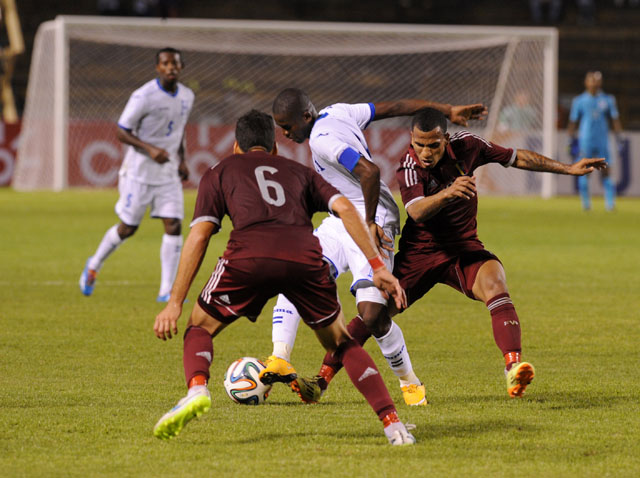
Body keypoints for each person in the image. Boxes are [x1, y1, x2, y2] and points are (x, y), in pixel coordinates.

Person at [294, 107, 606, 402]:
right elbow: (415, 211)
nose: (425, 153)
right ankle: (320, 381)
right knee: (373, 316)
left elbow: (515, 157)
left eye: (433, 145)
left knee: (496, 284)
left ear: (446, 139)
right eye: (419, 145)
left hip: (463, 249)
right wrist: (448, 192)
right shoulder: (408, 163)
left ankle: (513, 369)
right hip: (420, 254)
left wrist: (567, 168)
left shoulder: (470, 145)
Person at [152, 110, 415, 446]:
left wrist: (174, 302)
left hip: (248, 258)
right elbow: (348, 209)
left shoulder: (219, 171)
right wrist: (378, 267)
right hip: (304, 259)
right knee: (342, 344)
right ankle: (393, 426)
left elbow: (200, 236)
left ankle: (197, 389)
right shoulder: (299, 171)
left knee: (199, 326)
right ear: (275, 148)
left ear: (235, 147)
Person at [267, 88, 487, 406]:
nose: (286, 134)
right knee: (296, 272)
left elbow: (369, 172)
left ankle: (410, 382)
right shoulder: (338, 109)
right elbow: (397, 104)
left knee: (372, 315)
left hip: (374, 218)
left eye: (287, 127)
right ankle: (279, 357)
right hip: (339, 217)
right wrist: (447, 108)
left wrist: (369, 222)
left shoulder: (321, 139)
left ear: (305, 117)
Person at [79, 47, 194, 301]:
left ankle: (166, 290)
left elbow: (180, 130)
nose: (170, 67)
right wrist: (150, 149)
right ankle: (94, 264)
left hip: (167, 173)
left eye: (175, 63)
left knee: (173, 225)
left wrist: (182, 160)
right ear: (158, 68)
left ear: (181, 66)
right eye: (165, 63)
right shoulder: (143, 96)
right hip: (138, 173)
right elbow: (122, 131)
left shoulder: (187, 96)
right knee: (128, 228)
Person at [567, 71, 623, 211]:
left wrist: (619, 138)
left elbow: (615, 119)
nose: (594, 83)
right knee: (584, 170)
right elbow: (573, 121)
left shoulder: (608, 99)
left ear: (600, 83)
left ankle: (610, 204)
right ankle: (586, 204)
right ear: (586, 82)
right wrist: (570, 140)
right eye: (591, 80)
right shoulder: (579, 101)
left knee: (606, 170)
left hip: (602, 140)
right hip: (586, 140)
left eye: (597, 80)